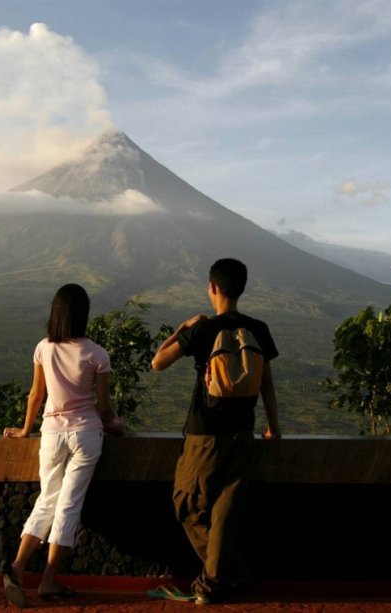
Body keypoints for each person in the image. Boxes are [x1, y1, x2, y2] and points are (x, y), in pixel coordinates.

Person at [151, 258, 281, 605]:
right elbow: (267, 385)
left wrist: (183, 326)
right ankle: (223, 579)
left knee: (187, 505)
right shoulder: (259, 328)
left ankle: (221, 579)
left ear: (213, 287)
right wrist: (275, 427)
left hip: (205, 435)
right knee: (225, 513)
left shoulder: (204, 329)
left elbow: (158, 362)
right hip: (244, 432)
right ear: (242, 288)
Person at [2, 283, 121, 608]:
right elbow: (104, 405)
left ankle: (17, 565)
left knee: (47, 500)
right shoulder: (96, 353)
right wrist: (116, 425)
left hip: (51, 435)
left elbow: (36, 395)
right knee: (68, 507)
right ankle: (49, 581)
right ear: (83, 314)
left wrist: (26, 430)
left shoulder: (44, 348)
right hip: (86, 435)